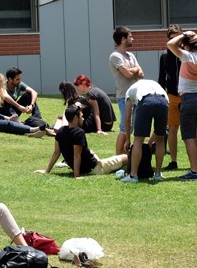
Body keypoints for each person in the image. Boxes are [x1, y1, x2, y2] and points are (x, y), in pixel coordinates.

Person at [167, 30, 197, 181]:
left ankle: (194, 172)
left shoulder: (186, 56)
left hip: (188, 99)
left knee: (188, 135)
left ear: (186, 46)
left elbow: (170, 44)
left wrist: (183, 35)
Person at [36, 105, 128, 178]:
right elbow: (77, 155)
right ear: (76, 118)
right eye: (81, 116)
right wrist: (77, 175)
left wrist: (47, 170)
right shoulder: (79, 132)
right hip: (95, 168)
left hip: (87, 165)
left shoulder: (60, 131)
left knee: (91, 152)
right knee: (126, 157)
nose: (83, 119)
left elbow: (56, 153)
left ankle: (123, 167)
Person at [120, 79, 169, 183]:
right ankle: (158, 173)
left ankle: (133, 176)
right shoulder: (154, 84)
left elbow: (128, 118)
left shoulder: (129, 91)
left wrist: (128, 140)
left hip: (146, 101)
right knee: (160, 140)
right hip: (164, 101)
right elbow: (160, 129)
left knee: (138, 140)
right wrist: (150, 142)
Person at [109, 26, 144, 155]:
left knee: (133, 128)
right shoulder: (115, 56)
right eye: (130, 36)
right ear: (123, 39)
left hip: (136, 96)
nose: (132, 39)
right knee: (125, 128)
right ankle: (118, 158)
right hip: (124, 97)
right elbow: (129, 74)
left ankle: (127, 157)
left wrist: (132, 71)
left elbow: (141, 73)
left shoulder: (130, 55)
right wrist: (134, 70)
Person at [0, 73, 45, 138]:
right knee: (8, 124)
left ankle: (29, 131)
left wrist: (9, 118)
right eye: (0, 83)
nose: (2, 85)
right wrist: (8, 118)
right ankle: (32, 129)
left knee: (9, 123)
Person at [158, 24, 182, 170]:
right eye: (172, 38)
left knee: (191, 129)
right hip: (172, 95)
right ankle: (173, 161)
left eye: (177, 37)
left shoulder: (186, 53)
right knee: (172, 129)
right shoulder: (165, 56)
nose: (175, 41)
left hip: (187, 95)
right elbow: (161, 78)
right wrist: (161, 95)